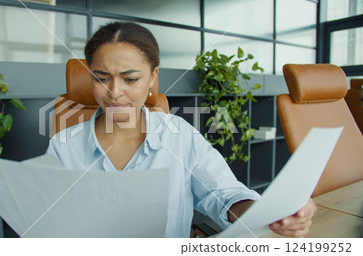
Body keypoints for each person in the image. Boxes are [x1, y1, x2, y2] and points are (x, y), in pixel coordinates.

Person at [47, 22, 317, 238]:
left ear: (153, 77)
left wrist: (268, 213)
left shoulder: (179, 135)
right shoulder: (63, 146)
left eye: (130, 79)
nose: (114, 93)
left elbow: (224, 194)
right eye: (101, 78)